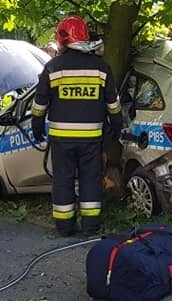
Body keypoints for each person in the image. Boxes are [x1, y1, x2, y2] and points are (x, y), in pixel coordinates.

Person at [32, 15, 122, 237]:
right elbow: (113, 105)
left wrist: (37, 127)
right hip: (91, 138)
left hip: (61, 139)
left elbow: (40, 104)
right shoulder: (101, 68)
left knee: (63, 181)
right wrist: (116, 127)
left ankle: (64, 227)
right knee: (90, 180)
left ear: (62, 38)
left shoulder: (52, 68)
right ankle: (91, 227)